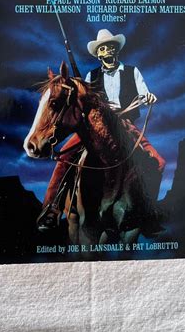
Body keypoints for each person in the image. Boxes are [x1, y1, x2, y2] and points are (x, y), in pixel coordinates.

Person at [37, 29, 165, 231]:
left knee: (158, 162)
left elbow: (144, 94)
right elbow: (86, 101)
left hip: (125, 124)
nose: (108, 50)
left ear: (117, 50)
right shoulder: (92, 76)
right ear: (98, 54)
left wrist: (149, 97)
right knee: (64, 158)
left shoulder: (132, 71)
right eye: (103, 48)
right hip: (96, 125)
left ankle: (148, 212)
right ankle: (51, 209)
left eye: (111, 47)